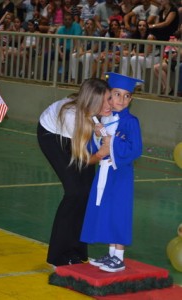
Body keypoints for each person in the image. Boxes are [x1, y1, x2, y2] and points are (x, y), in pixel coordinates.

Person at [37, 78, 113, 267]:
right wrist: (102, 152)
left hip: (77, 135)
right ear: (91, 102)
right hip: (53, 136)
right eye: (103, 102)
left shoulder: (101, 112)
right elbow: (85, 159)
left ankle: (77, 252)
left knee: (87, 193)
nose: (109, 104)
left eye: (109, 98)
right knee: (75, 192)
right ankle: (58, 255)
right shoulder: (72, 117)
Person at [80, 72, 143, 272]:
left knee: (119, 212)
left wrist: (112, 141)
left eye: (127, 96)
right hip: (105, 172)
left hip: (121, 174)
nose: (121, 100)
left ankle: (119, 257)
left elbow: (135, 149)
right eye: (116, 94)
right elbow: (95, 147)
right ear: (108, 95)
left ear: (131, 99)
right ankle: (111, 253)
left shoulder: (131, 121)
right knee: (107, 211)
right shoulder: (104, 118)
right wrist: (98, 135)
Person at [130, 20, 159, 87]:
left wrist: (134, 54)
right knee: (131, 59)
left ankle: (138, 84)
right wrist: (134, 53)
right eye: (139, 25)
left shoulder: (150, 37)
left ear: (147, 27)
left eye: (144, 25)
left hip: (153, 58)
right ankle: (135, 84)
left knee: (134, 59)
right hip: (143, 57)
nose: (141, 27)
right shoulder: (136, 36)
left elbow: (146, 54)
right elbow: (134, 50)